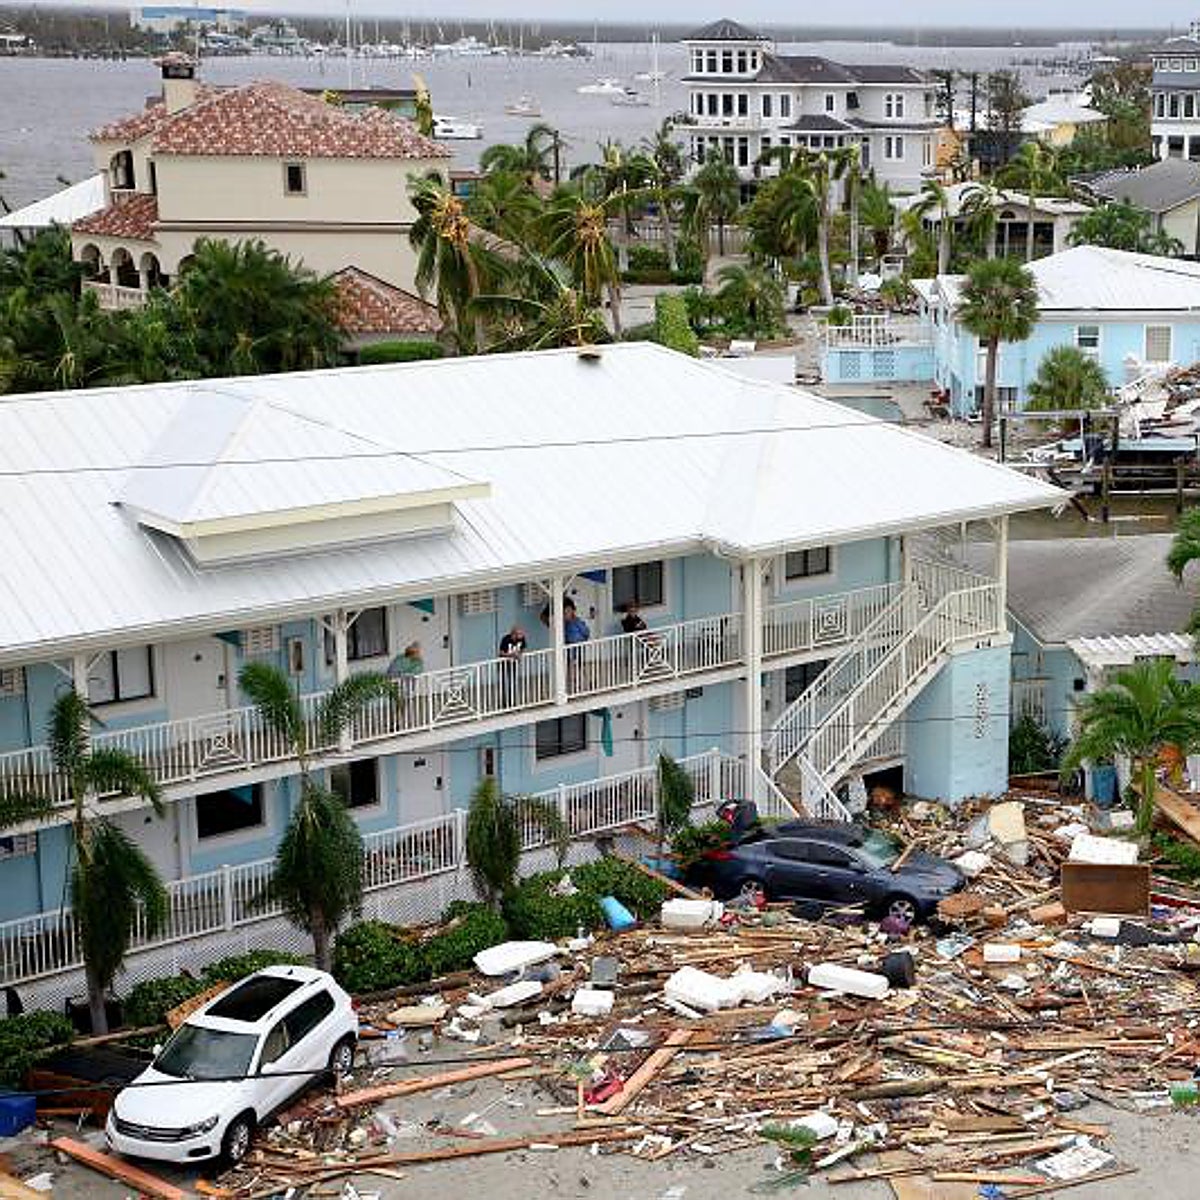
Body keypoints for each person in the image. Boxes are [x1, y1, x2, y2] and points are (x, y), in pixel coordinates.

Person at [498, 625, 526, 707]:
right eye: (519, 634)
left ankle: (512, 701)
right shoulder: (506, 639)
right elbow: (501, 653)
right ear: (513, 634)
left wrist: (520, 654)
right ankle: (504, 702)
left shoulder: (521, 639)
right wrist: (511, 655)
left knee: (513, 683)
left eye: (521, 634)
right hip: (504, 664)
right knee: (504, 683)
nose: (521, 636)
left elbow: (523, 648)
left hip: (513, 664)